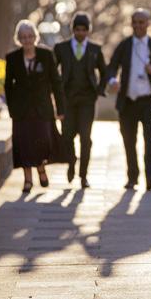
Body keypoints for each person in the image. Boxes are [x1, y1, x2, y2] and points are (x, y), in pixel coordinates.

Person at [106, 9, 151, 190]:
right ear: (131, 23)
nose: (139, 25)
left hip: (149, 102)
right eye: (135, 22)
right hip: (128, 101)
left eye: (142, 22)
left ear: (148, 23)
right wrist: (112, 80)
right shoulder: (124, 45)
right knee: (128, 141)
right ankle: (132, 177)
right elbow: (112, 66)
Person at [4, 19, 65, 193]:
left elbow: (56, 82)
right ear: (19, 39)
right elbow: (8, 86)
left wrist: (60, 109)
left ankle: (41, 168)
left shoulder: (46, 55)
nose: (27, 40)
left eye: (30, 36)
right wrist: (12, 109)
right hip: (21, 111)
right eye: (23, 37)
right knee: (23, 145)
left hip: (42, 108)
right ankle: (28, 180)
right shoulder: (13, 58)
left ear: (35, 37)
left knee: (42, 142)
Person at [53, 13, 106, 189]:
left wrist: (98, 91)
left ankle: (83, 176)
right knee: (67, 136)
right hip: (67, 99)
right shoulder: (61, 48)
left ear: (88, 30)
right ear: (73, 29)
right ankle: (71, 161)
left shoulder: (95, 49)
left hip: (87, 101)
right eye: (77, 29)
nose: (81, 33)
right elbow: (53, 72)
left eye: (84, 29)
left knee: (86, 138)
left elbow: (104, 73)